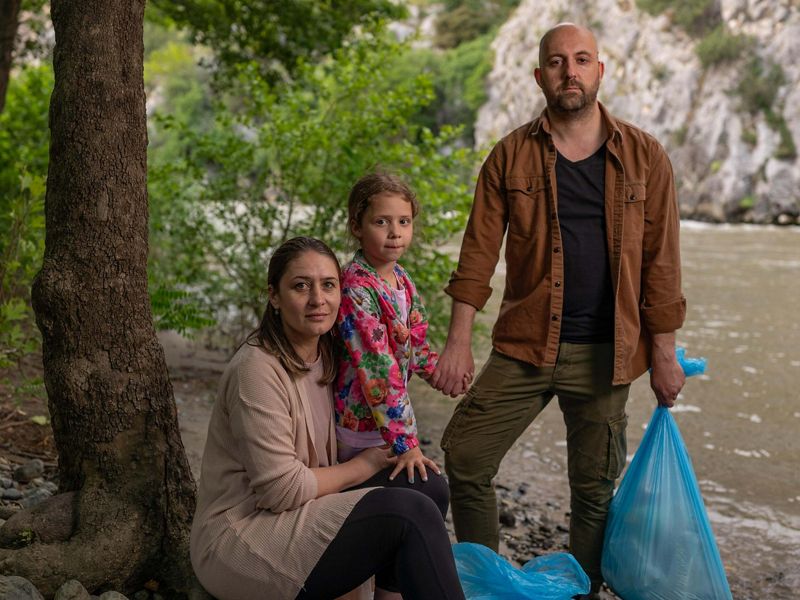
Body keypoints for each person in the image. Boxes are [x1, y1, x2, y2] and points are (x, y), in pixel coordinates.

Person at [430, 23, 687, 597]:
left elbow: (661, 263)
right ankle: (482, 582)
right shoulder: (509, 156)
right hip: (525, 346)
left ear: (601, 70)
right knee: (466, 455)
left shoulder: (646, 157)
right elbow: (477, 255)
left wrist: (665, 352)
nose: (569, 71)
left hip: (607, 353)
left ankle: (584, 588)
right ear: (539, 74)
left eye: (581, 60)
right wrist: (457, 342)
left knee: (593, 487)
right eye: (556, 62)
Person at [190, 236, 465, 600]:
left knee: (425, 483)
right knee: (408, 513)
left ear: (342, 291)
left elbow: (390, 357)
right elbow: (280, 490)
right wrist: (367, 463)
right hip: (246, 534)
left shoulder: (330, 351)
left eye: (329, 285)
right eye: (301, 286)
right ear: (274, 296)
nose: (318, 300)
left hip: (305, 503)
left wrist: (443, 366)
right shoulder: (256, 370)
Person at [335, 172, 459, 483]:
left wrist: (440, 373)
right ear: (356, 227)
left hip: (386, 423)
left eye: (404, 222)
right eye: (381, 222)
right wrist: (406, 443)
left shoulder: (400, 278)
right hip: (359, 425)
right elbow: (379, 368)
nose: (395, 232)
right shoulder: (356, 288)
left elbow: (413, 342)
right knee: (387, 491)